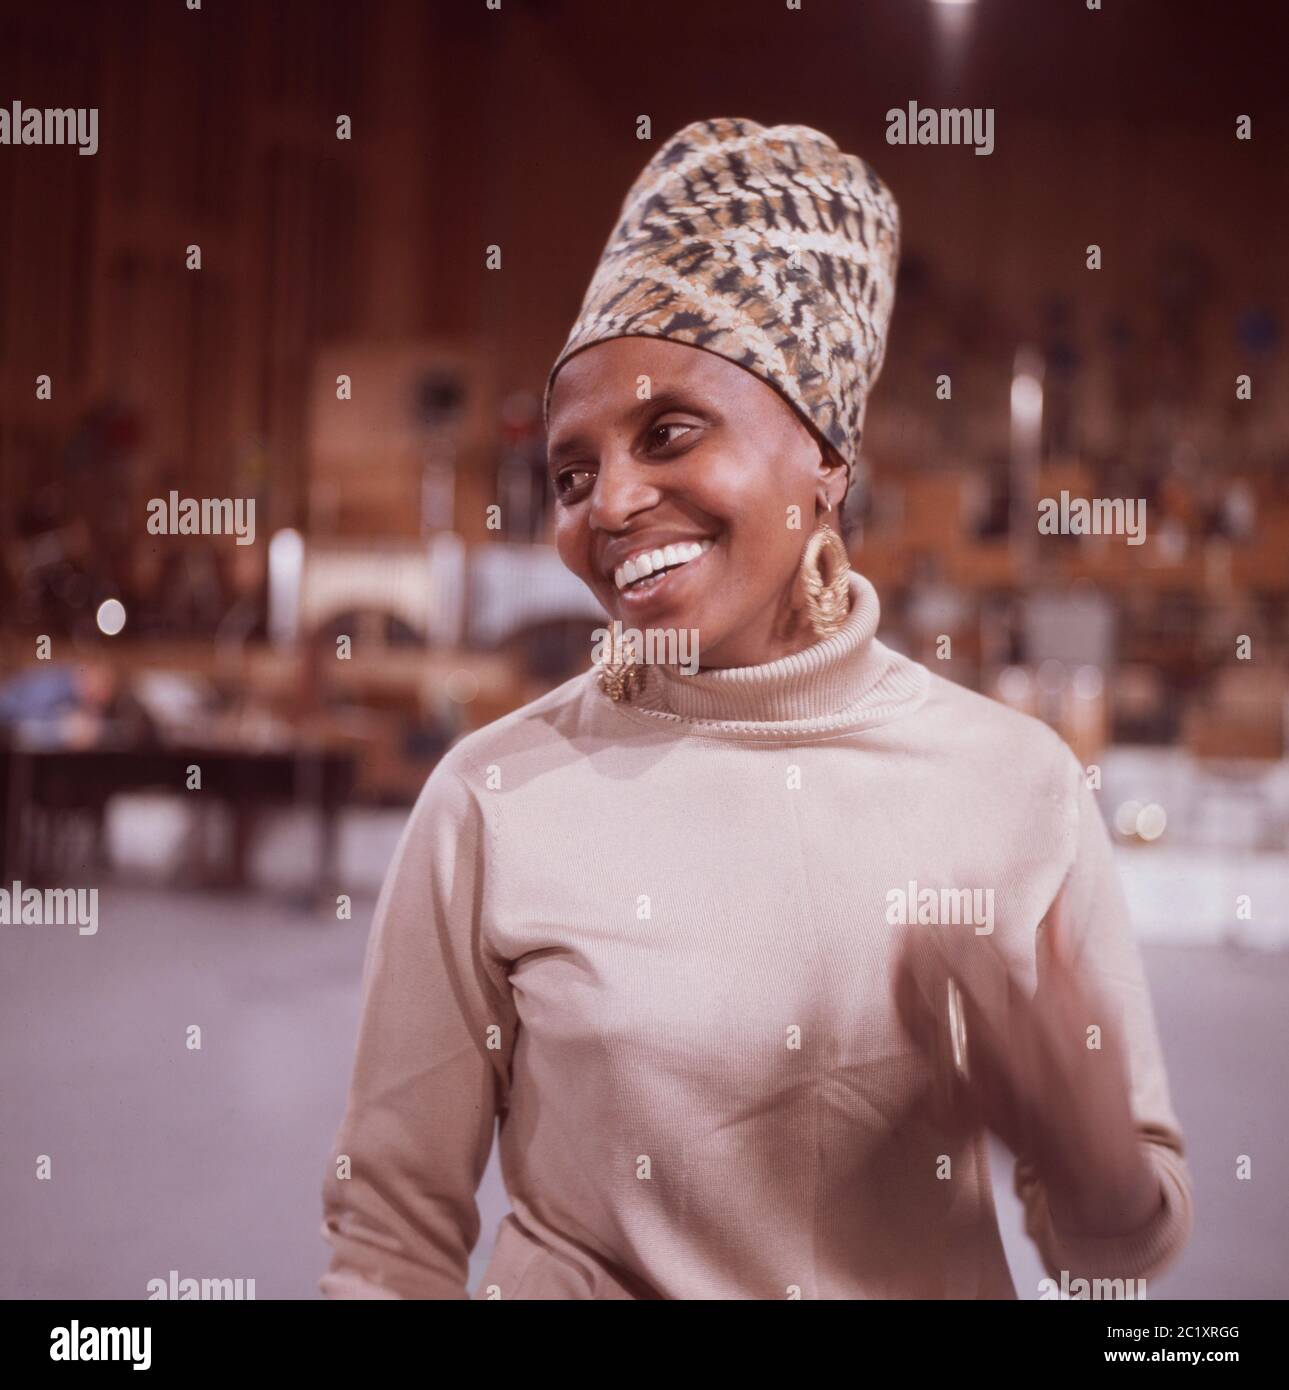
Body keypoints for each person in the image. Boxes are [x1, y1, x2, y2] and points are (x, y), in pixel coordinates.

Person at [319, 117, 1193, 1299]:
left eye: (668, 432)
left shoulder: (1015, 785)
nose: (609, 503)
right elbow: (388, 1240)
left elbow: (1118, 1240)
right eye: (570, 474)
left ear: (824, 455)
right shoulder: (493, 795)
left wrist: (1094, 1169)